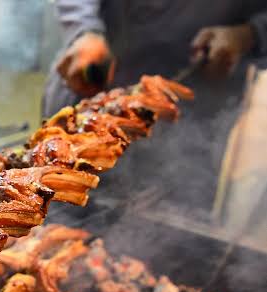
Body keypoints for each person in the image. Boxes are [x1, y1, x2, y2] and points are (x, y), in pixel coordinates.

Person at [42, 1, 267, 214]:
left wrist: (250, 33)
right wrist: (84, 29)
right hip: (91, 84)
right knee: (54, 198)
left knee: (170, 231)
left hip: (194, 118)